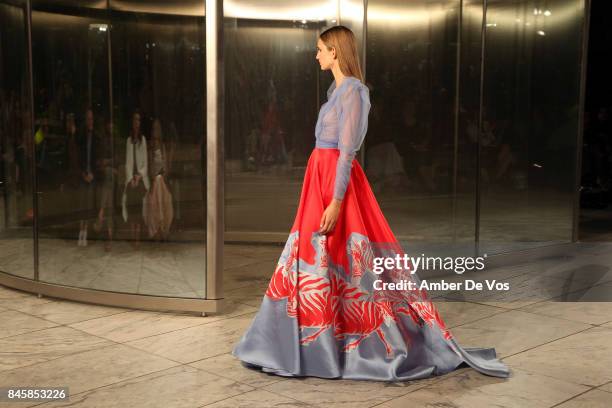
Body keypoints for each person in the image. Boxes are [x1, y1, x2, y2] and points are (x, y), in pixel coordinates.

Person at [232, 25, 510, 381]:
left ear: (335, 51)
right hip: (318, 180)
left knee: (342, 259)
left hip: (336, 185)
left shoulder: (354, 93)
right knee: (314, 257)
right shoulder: (335, 91)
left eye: (319, 49)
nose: (315, 55)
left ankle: (346, 346)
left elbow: (347, 152)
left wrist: (335, 201)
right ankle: (299, 344)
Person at [122, 111, 150, 248]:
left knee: (138, 206)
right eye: (134, 120)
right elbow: (127, 163)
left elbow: (145, 163)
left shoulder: (143, 140)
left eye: (138, 120)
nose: (136, 123)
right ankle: (133, 236)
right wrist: (130, 179)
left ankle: (138, 238)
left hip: (140, 178)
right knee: (130, 205)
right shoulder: (128, 140)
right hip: (130, 179)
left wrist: (138, 177)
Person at [144, 118, 173, 240]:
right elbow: (150, 164)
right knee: (157, 187)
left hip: (162, 178)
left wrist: (163, 176)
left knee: (165, 194)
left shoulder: (162, 145)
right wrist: (154, 177)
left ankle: (163, 228)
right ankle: (157, 229)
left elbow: (165, 164)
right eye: (154, 128)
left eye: (158, 128)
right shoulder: (150, 145)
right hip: (154, 179)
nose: (156, 131)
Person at [77, 108, 98, 247]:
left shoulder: (96, 137)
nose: (90, 121)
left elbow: (98, 158)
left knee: (90, 205)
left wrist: (93, 174)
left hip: (93, 175)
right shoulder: (81, 137)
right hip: (83, 175)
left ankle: (86, 232)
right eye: (88, 118)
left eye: (91, 118)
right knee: (82, 204)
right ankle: (81, 231)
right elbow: (78, 158)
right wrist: (83, 174)